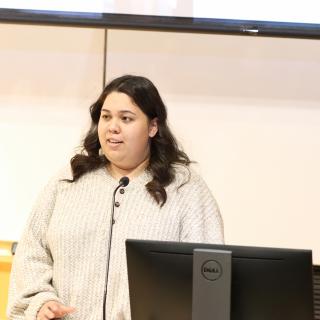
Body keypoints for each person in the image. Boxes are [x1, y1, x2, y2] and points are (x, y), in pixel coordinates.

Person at [7, 75, 224, 320]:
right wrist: (42, 301)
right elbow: (31, 255)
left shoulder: (185, 188)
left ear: (153, 127)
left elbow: (209, 277)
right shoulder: (68, 179)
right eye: (106, 116)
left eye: (126, 118)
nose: (112, 127)